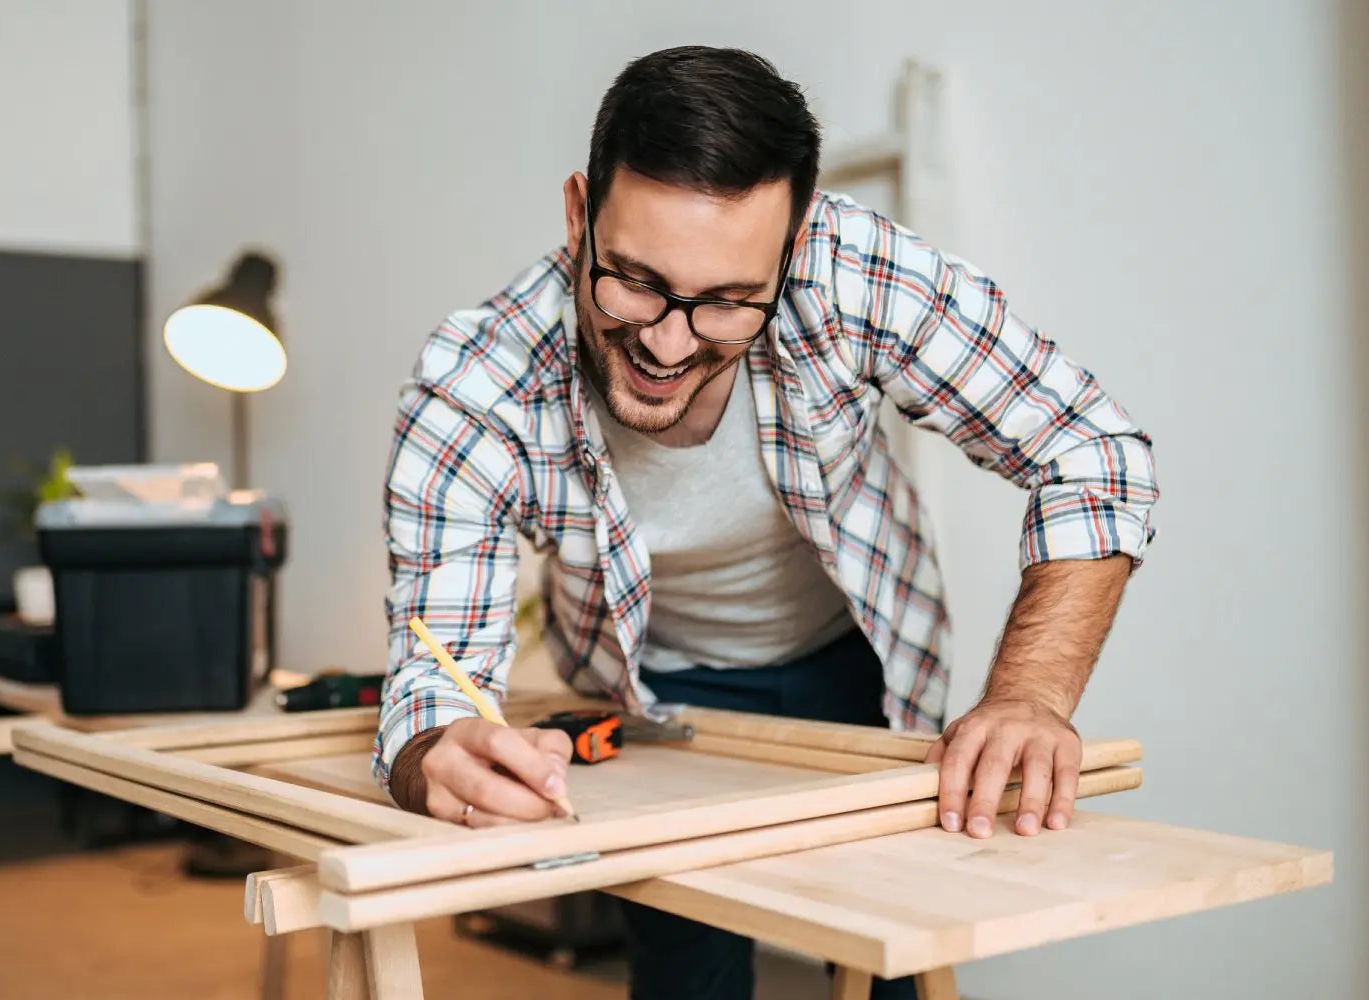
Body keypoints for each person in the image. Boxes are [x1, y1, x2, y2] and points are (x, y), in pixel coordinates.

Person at [374, 44, 1158, 1000]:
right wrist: (435, 753)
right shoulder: (479, 379)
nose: (665, 343)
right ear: (579, 216)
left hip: (857, 661)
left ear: (792, 253)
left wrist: (1031, 696)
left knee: (891, 957)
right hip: (661, 698)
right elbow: (435, 675)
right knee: (686, 976)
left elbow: (1091, 449)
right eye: (632, 281)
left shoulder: (854, 270)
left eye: (728, 304)